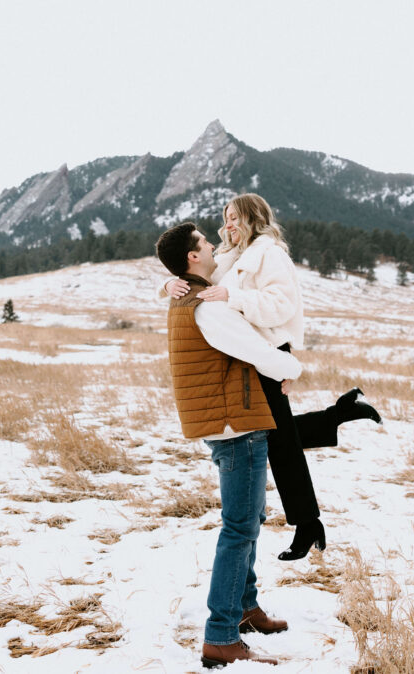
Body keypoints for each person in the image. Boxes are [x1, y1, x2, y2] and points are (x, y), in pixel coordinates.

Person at [161, 193, 381, 561]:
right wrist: (167, 285)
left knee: (279, 441)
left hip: (270, 350)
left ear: (252, 218)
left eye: (234, 218)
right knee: (276, 433)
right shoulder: (235, 254)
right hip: (253, 353)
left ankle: (308, 522)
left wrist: (234, 297)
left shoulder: (270, 253)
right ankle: (337, 417)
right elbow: (195, 273)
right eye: (225, 217)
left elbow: (282, 305)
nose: (227, 225)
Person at [156, 221, 296, 668]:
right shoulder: (206, 306)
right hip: (237, 425)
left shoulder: (186, 295)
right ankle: (220, 635)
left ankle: (245, 609)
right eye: (204, 242)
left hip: (226, 423)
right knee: (239, 529)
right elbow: (250, 347)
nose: (213, 244)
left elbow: (230, 271)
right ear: (193, 258)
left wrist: (165, 283)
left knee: (249, 518)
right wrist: (291, 365)